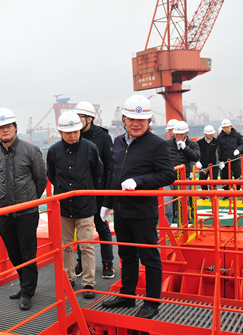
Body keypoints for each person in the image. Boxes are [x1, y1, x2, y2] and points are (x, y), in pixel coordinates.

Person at [101, 95, 175, 319]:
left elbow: (168, 174)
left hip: (143, 212)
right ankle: (127, 295)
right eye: (131, 118)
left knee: (149, 257)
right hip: (121, 211)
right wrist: (107, 203)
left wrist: (139, 181)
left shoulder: (157, 145)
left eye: (141, 120)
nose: (136, 123)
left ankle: (151, 303)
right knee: (126, 255)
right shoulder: (118, 142)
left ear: (149, 121)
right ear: (123, 119)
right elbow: (113, 174)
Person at [0, 108, 47, 311]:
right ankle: (24, 285)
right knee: (13, 253)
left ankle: (28, 292)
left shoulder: (31, 150)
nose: (5, 130)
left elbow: (41, 180)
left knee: (27, 253)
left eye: (8, 126)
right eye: (0, 127)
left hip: (26, 213)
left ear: (15, 127)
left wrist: (30, 201)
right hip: (4, 212)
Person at [47, 111, 103, 299]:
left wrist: (87, 190)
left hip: (85, 205)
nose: (72, 135)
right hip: (63, 206)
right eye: (68, 132)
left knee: (87, 245)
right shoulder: (54, 151)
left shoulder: (90, 148)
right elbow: (51, 174)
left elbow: (97, 172)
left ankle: (88, 282)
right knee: (66, 246)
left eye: (75, 131)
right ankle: (69, 278)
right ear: (60, 132)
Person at [74, 100, 115, 279]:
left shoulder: (103, 137)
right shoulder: (74, 135)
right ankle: (81, 262)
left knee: (102, 227)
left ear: (89, 118)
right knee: (82, 228)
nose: (75, 120)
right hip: (81, 191)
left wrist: (107, 194)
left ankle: (108, 263)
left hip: (98, 191)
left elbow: (110, 166)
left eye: (79, 117)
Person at [166, 121, 200, 223]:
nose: (178, 136)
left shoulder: (193, 144)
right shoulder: (168, 143)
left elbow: (196, 157)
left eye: (181, 134)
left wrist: (185, 148)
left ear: (186, 133)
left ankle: (184, 223)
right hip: (169, 177)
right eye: (177, 134)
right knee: (166, 202)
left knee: (183, 202)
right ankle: (167, 225)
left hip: (184, 177)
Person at [217, 119, 243, 193]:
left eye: (227, 127)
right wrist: (220, 161)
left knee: (237, 175)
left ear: (231, 126)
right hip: (225, 160)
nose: (226, 129)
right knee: (225, 177)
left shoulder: (237, 135)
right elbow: (218, 149)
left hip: (235, 159)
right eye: (224, 128)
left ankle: (238, 192)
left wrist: (238, 149)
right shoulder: (220, 137)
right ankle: (227, 193)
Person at [196, 125, 222, 194]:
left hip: (214, 166)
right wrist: (197, 161)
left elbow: (220, 153)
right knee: (202, 181)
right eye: (209, 134)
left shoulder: (217, 142)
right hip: (203, 166)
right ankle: (205, 194)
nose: (211, 135)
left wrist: (221, 162)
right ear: (205, 133)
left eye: (212, 134)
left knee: (213, 182)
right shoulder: (199, 143)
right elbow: (197, 153)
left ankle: (213, 195)